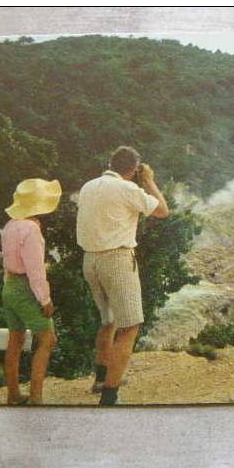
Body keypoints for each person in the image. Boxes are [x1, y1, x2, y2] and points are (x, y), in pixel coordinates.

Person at [76, 146, 169, 405]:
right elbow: (162, 211)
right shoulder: (127, 189)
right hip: (116, 258)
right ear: (134, 169)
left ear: (110, 162)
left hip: (90, 259)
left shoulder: (88, 186)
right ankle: (110, 394)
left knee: (109, 321)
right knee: (130, 327)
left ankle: (100, 378)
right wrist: (149, 180)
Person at [1, 178, 62, 404]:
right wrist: (44, 299)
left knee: (15, 341)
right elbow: (35, 269)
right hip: (26, 288)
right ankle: (36, 396)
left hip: (9, 286)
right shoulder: (31, 230)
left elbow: (6, 263)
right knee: (47, 340)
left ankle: (13, 394)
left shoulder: (9, 226)